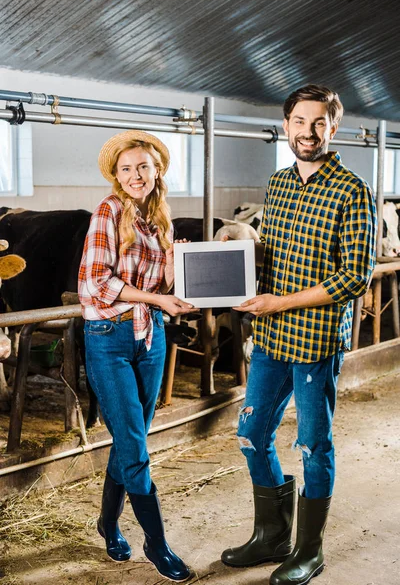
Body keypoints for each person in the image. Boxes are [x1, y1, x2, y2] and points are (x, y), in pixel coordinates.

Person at [221, 84, 377, 585]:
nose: (307, 132)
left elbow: (354, 276)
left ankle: (309, 550)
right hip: (270, 336)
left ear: (334, 128)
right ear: (285, 125)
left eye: (319, 123)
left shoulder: (353, 191)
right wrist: (227, 251)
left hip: (314, 340)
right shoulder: (279, 185)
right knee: (251, 433)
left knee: (312, 444)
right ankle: (271, 536)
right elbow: (271, 253)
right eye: (299, 122)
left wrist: (279, 302)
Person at [78, 129, 197, 582]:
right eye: (126, 168)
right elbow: (95, 283)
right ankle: (157, 544)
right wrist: (157, 298)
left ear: (156, 171)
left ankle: (107, 524)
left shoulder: (159, 219)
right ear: (116, 174)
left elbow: (162, 289)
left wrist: (175, 266)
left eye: (143, 167)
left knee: (131, 441)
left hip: (150, 337)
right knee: (135, 446)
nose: (135, 175)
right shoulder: (107, 211)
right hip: (108, 337)